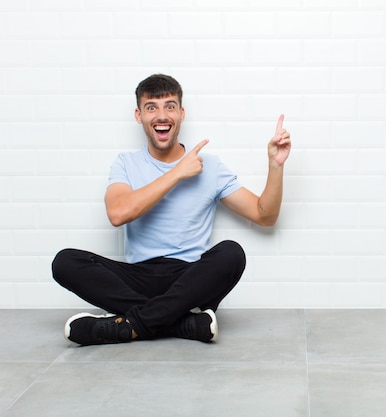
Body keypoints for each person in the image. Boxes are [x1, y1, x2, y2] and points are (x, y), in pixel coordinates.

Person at [51, 74, 291, 346]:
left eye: (170, 106)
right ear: (139, 115)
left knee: (231, 253)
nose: (161, 115)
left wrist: (275, 165)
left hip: (189, 281)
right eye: (151, 107)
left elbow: (265, 215)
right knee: (65, 262)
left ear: (181, 113)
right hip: (137, 278)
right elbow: (118, 214)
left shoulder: (209, 167)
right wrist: (177, 173)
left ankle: (131, 324)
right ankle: (182, 323)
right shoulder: (126, 163)